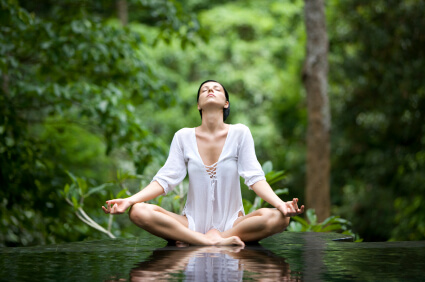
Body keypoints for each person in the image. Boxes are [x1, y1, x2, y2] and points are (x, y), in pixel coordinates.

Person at [102, 80, 304, 246]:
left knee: (280, 218)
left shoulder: (240, 133)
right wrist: (130, 200)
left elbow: (255, 178)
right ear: (198, 105)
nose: (210, 90)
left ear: (226, 103)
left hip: (234, 224)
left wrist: (281, 204)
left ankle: (214, 239)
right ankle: (207, 241)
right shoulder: (183, 137)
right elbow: (165, 180)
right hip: (191, 223)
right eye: (204, 89)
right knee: (138, 211)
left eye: (217, 89)